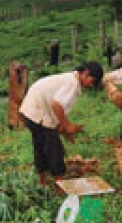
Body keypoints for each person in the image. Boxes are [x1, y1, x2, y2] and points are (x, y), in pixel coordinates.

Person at [19, 62, 104, 191]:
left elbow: (56, 110)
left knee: (40, 146)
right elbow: (56, 105)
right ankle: (59, 187)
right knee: (55, 150)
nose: (91, 85)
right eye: (92, 80)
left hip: (30, 112)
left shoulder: (69, 78)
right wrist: (67, 125)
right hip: (39, 112)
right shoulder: (72, 83)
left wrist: (65, 131)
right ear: (86, 73)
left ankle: (42, 181)